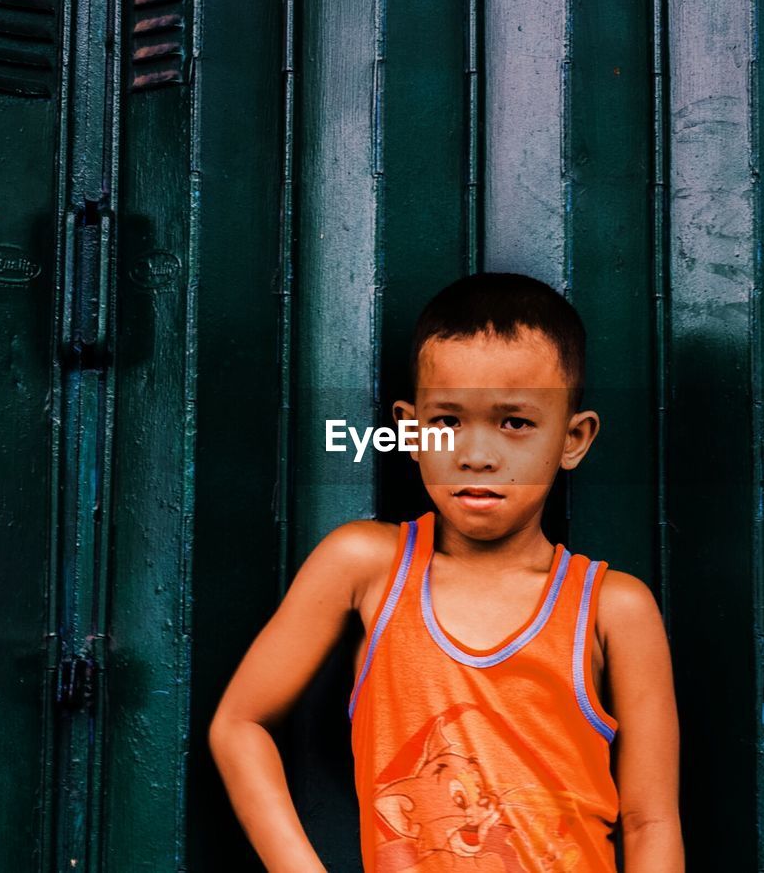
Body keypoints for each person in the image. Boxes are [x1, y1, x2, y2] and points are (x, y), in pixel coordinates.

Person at [209, 273, 683, 872]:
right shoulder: (367, 567)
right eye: (448, 421)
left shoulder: (614, 607)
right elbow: (239, 724)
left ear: (573, 438)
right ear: (410, 429)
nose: (476, 453)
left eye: (514, 422)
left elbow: (651, 821)